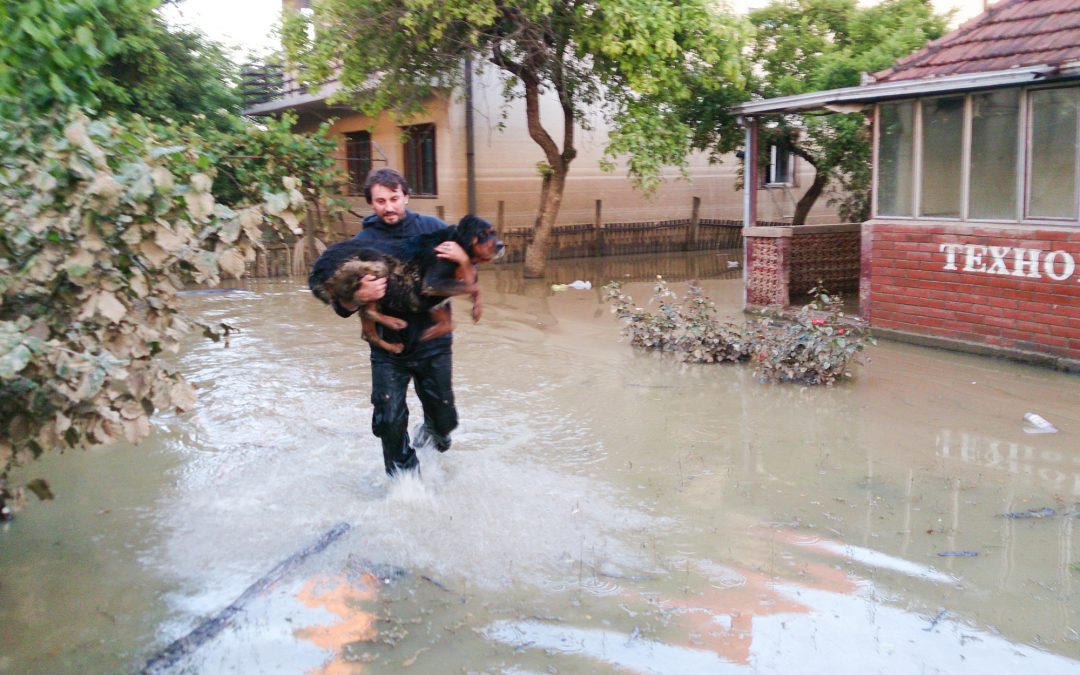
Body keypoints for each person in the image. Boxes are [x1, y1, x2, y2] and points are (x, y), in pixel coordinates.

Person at [332, 168, 470, 477]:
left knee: (444, 423)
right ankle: (404, 484)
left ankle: (432, 434)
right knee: (389, 418)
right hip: (388, 350)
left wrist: (462, 258)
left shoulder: (433, 229)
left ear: (406, 197)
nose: (389, 207)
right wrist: (358, 294)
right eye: (380, 201)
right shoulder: (361, 244)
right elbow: (340, 305)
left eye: (395, 198)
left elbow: (464, 276)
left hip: (433, 342)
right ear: (371, 203)